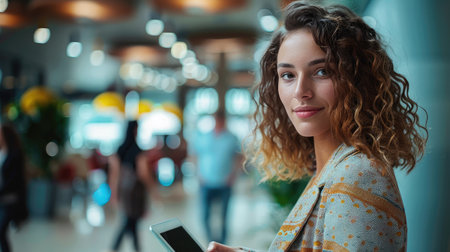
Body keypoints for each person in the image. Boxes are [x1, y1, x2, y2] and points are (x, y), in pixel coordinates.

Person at [208, 1, 427, 252]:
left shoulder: (357, 176)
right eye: (288, 75)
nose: (300, 91)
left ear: (356, 80)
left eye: (322, 71)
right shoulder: (331, 168)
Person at [193, 109, 242, 244]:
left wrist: (233, 175)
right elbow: (194, 155)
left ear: (224, 121)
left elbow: (239, 157)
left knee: (224, 217)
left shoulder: (231, 138)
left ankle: (222, 244)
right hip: (206, 182)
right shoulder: (204, 137)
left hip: (224, 183)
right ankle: (211, 241)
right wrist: (198, 174)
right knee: (204, 216)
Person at [108, 120, 154, 252]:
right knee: (129, 221)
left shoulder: (120, 149)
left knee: (130, 221)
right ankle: (116, 248)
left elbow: (114, 174)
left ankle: (131, 248)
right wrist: (153, 190)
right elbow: (143, 173)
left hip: (124, 191)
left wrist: (114, 193)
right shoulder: (137, 150)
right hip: (135, 193)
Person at [0, 123, 28, 252]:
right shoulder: (2, 152)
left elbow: (16, 179)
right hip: (1, 198)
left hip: (9, 199)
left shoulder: (15, 154)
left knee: (1, 231)